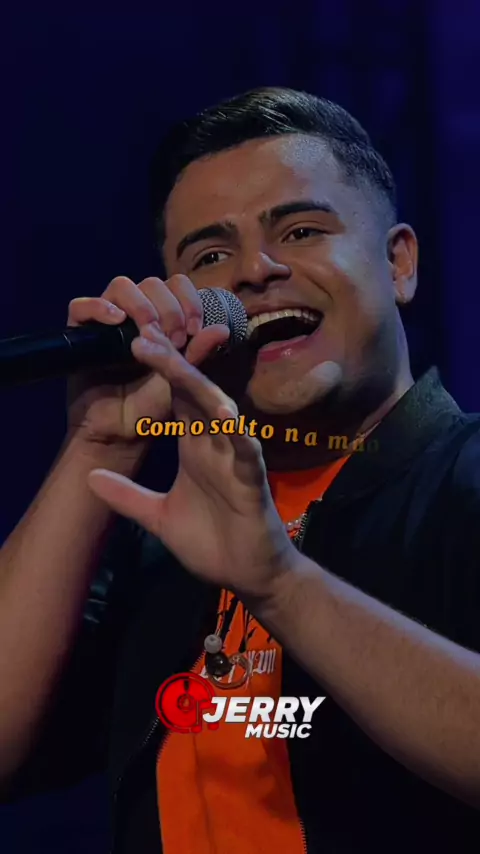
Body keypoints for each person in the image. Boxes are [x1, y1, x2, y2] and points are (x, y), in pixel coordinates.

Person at [1, 87, 480, 854]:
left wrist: (280, 584)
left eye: (301, 230)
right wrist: (99, 441)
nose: (255, 270)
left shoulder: (464, 479)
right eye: (210, 256)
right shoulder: (164, 552)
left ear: (399, 263)